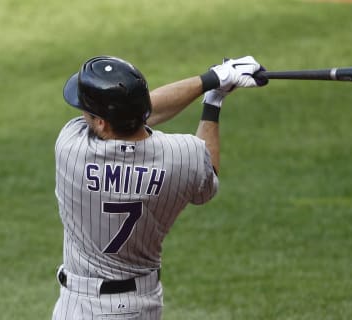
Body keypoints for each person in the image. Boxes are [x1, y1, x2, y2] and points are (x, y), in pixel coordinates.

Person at [52, 55, 267, 319]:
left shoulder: (71, 148)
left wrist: (211, 78)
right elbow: (207, 177)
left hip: (80, 306)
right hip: (142, 305)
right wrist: (214, 96)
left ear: (101, 123)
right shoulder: (182, 156)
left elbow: (142, 114)